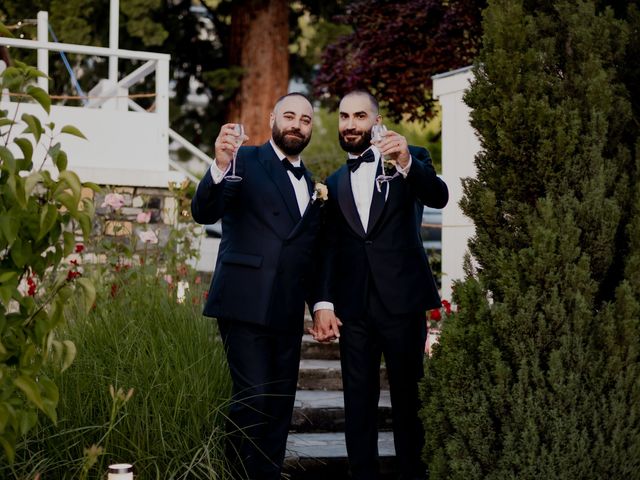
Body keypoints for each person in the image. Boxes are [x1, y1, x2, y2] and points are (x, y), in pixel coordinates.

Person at [311, 90, 448, 480]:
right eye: (343, 116)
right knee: (358, 403)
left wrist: (404, 160)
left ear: (376, 119)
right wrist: (323, 301)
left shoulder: (411, 156)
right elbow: (329, 248)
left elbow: (438, 196)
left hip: (403, 302)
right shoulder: (335, 181)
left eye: (359, 116)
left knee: (408, 400)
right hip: (354, 308)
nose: (350, 124)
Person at [191, 93, 323, 479]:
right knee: (253, 399)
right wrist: (218, 165)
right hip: (243, 301)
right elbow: (204, 211)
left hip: (286, 308)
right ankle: (235, 474)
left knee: (280, 405)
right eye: (290, 116)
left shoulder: (312, 183)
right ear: (272, 118)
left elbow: (308, 253)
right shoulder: (243, 160)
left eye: (305, 119)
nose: (297, 124)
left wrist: (319, 305)